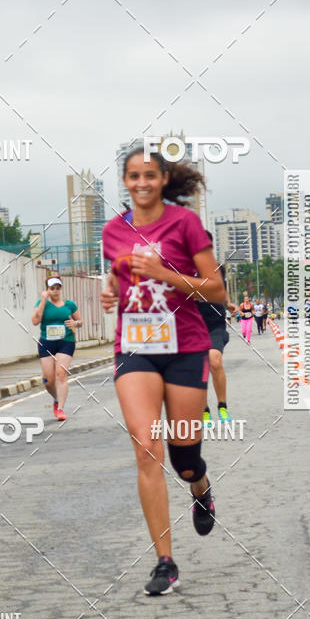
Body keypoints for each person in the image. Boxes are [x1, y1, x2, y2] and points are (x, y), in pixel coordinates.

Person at [101, 147, 225, 596]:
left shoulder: (185, 224)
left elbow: (217, 290)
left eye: (149, 175)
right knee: (146, 447)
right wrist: (111, 292)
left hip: (186, 346)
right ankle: (165, 562)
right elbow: (118, 275)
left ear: (163, 179)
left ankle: (200, 486)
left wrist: (165, 271)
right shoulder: (113, 230)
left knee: (184, 457)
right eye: (132, 176)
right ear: (126, 181)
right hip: (135, 347)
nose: (141, 183)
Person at [195, 230, 237, 427]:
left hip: (214, 323)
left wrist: (228, 304)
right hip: (192, 326)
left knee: (215, 360)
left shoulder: (217, 268)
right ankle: (203, 410)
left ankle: (222, 406)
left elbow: (222, 291)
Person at [32, 275, 82, 421]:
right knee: (48, 380)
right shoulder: (42, 303)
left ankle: (60, 408)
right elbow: (35, 321)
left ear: (61, 289)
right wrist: (42, 300)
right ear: (47, 290)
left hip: (66, 341)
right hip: (46, 343)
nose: (55, 291)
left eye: (57, 288)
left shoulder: (69, 304)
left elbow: (80, 320)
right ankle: (55, 398)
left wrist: (75, 324)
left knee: (61, 374)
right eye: (52, 288)